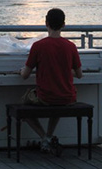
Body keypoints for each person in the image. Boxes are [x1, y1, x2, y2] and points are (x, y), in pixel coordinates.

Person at [20, 8, 82, 153]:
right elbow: (79, 74)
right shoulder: (71, 46)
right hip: (68, 97)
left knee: (24, 102)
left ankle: (44, 137)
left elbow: (24, 75)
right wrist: (65, 69)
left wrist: (20, 70)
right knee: (59, 98)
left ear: (46, 23)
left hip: (46, 97)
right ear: (64, 24)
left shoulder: (38, 46)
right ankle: (48, 136)